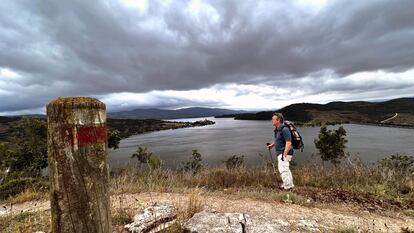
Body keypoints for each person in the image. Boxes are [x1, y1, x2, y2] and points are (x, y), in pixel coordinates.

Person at [267, 112, 294, 190]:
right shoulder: (278, 130)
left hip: (284, 153)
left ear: (278, 120)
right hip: (282, 153)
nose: (272, 120)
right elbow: (278, 140)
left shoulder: (285, 129)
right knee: (286, 169)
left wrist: (284, 155)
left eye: (273, 119)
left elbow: (289, 143)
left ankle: (288, 188)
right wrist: (271, 145)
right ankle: (289, 185)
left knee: (283, 170)